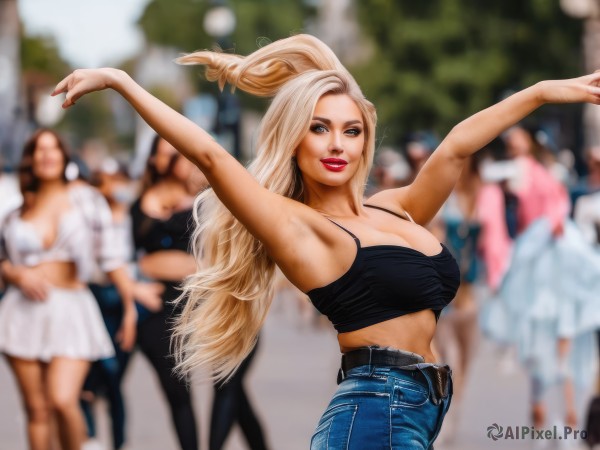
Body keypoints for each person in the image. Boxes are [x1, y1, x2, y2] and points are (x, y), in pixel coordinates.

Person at [52, 34, 600, 449]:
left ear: (365, 139)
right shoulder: (296, 226)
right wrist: (121, 82)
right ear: (294, 141)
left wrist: (542, 93)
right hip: (375, 409)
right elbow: (212, 156)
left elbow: (456, 148)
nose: (337, 144)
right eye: (319, 128)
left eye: (350, 130)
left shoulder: (395, 208)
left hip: (417, 408)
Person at [0, 129, 136, 450]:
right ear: (30, 160)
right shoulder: (16, 208)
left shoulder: (86, 200)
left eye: (53, 149)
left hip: (71, 309)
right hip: (22, 312)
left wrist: (130, 304)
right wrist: (16, 274)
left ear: (63, 157)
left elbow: (111, 255)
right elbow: (2, 260)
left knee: (63, 399)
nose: (46, 155)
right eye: (39, 150)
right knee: (37, 410)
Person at [128, 135, 203, 450]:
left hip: (191, 303)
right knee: (173, 388)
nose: (171, 160)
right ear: (153, 160)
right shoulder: (138, 203)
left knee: (205, 390)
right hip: (151, 302)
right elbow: (121, 256)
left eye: (177, 152)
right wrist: (134, 285)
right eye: (164, 154)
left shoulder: (199, 199)